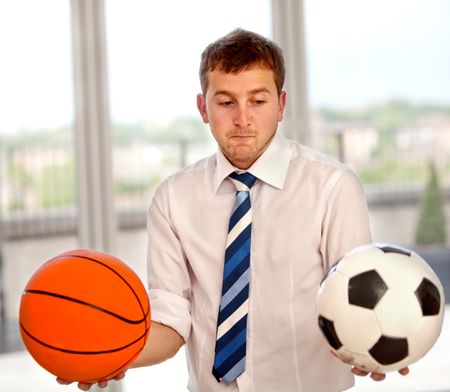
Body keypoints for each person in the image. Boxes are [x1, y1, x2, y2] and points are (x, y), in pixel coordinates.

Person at [59, 28, 408, 391]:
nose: (243, 119)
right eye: (226, 102)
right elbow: (172, 318)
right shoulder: (172, 199)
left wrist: (372, 346)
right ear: (203, 108)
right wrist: (112, 354)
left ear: (281, 104)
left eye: (258, 101)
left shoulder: (334, 188)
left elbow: (355, 301)